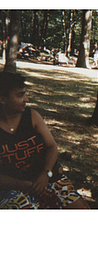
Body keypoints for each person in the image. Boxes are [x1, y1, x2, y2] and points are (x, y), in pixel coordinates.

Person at [0, 72, 89, 209]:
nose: (26, 99)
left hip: (47, 178)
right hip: (12, 188)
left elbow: (51, 146)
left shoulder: (32, 116)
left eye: (25, 94)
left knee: (81, 209)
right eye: (20, 95)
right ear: (3, 99)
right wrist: (29, 186)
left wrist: (45, 174)